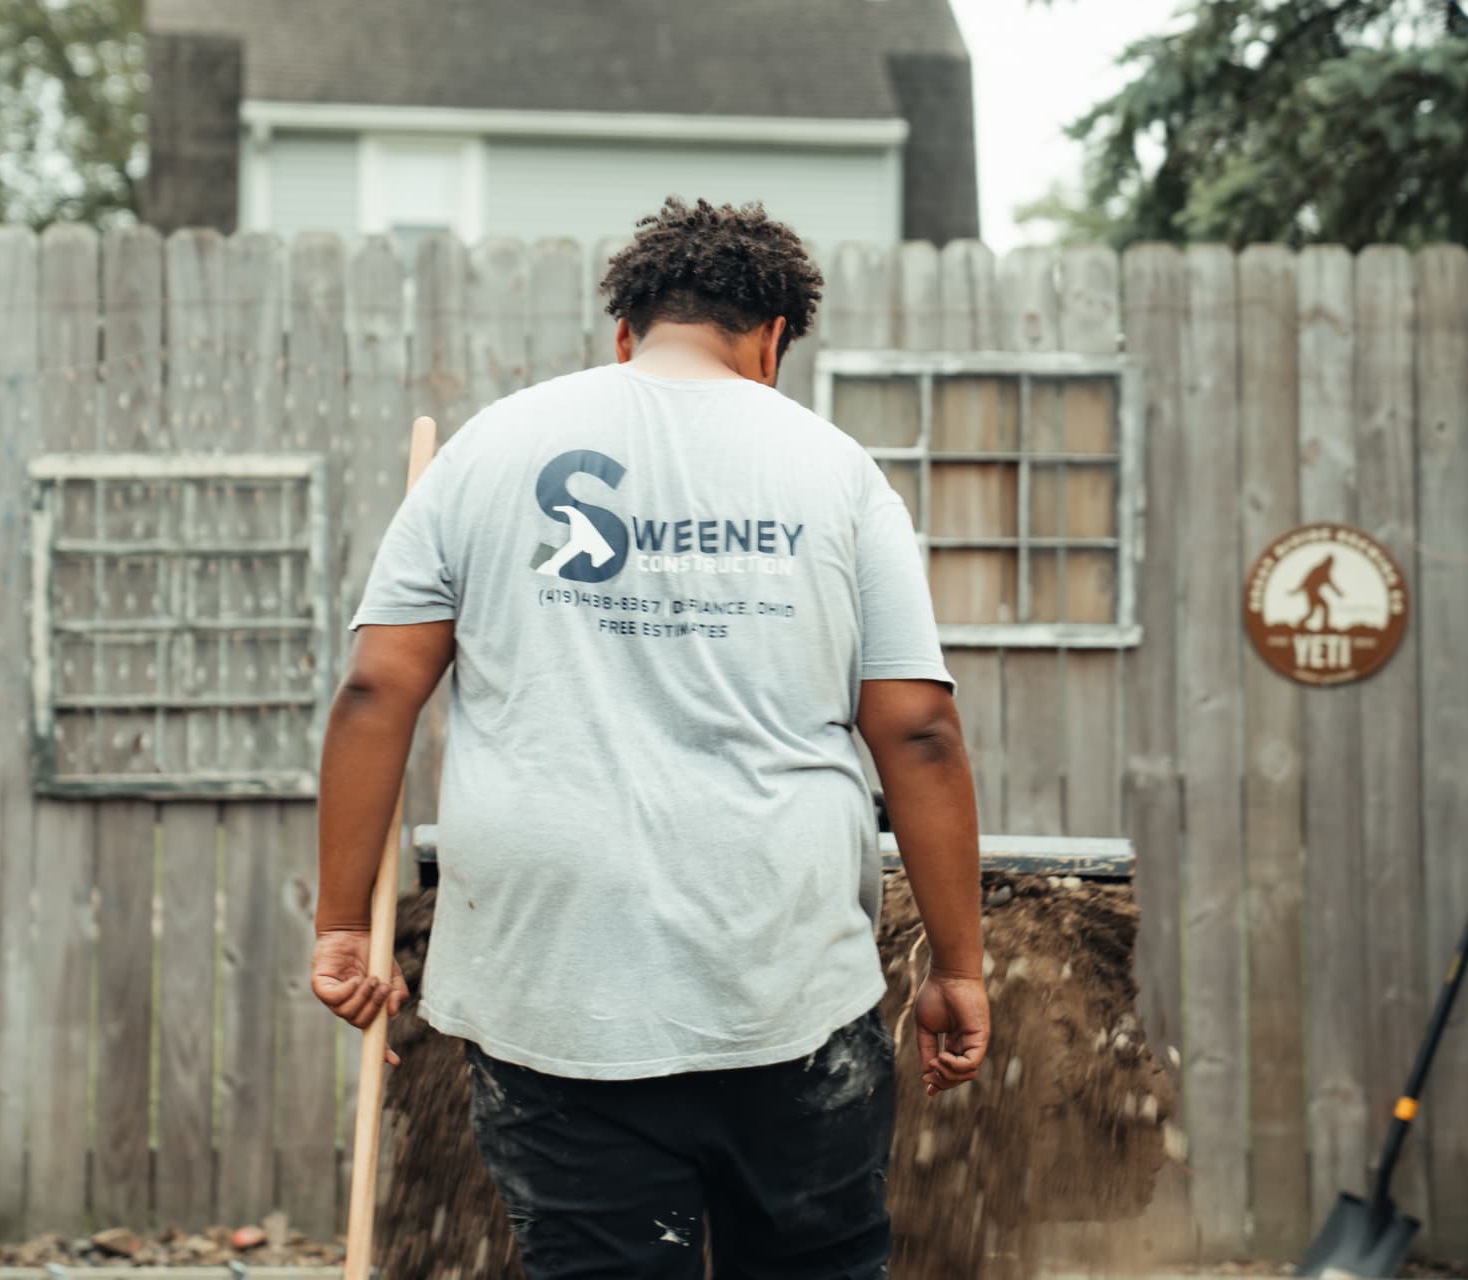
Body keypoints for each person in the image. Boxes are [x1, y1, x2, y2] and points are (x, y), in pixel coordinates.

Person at [310, 196, 989, 1279]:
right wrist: (959, 963)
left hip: (554, 993)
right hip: (789, 990)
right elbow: (918, 732)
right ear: (774, 340)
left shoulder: (491, 450)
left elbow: (373, 693)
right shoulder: (836, 473)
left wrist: (345, 923)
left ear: (624, 332)